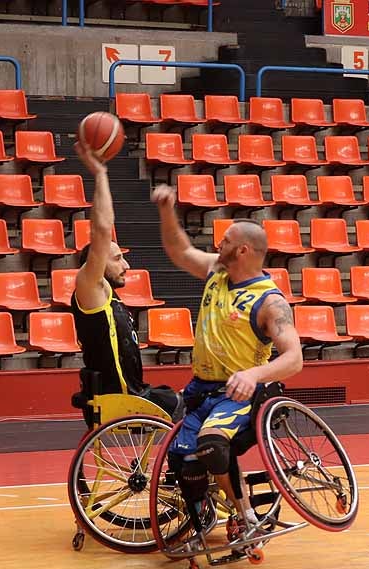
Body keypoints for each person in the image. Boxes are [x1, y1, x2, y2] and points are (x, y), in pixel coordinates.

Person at [152, 183, 304, 541]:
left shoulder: (269, 302)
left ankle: (247, 517)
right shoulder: (215, 272)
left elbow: (294, 358)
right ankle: (203, 510)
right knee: (183, 457)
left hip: (240, 393)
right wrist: (165, 210)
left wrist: (254, 374)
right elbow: (180, 251)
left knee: (211, 444)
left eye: (224, 241)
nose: (217, 245)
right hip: (201, 389)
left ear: (243, 250)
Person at [69, 137, 182, 424]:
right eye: (117, 258)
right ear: (96, 261)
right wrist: (101, 174)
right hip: (122, 401)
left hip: (137, 393)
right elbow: (102, 228)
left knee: (200, 398)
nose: (127, 265)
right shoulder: (90, 287)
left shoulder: (110, 297)